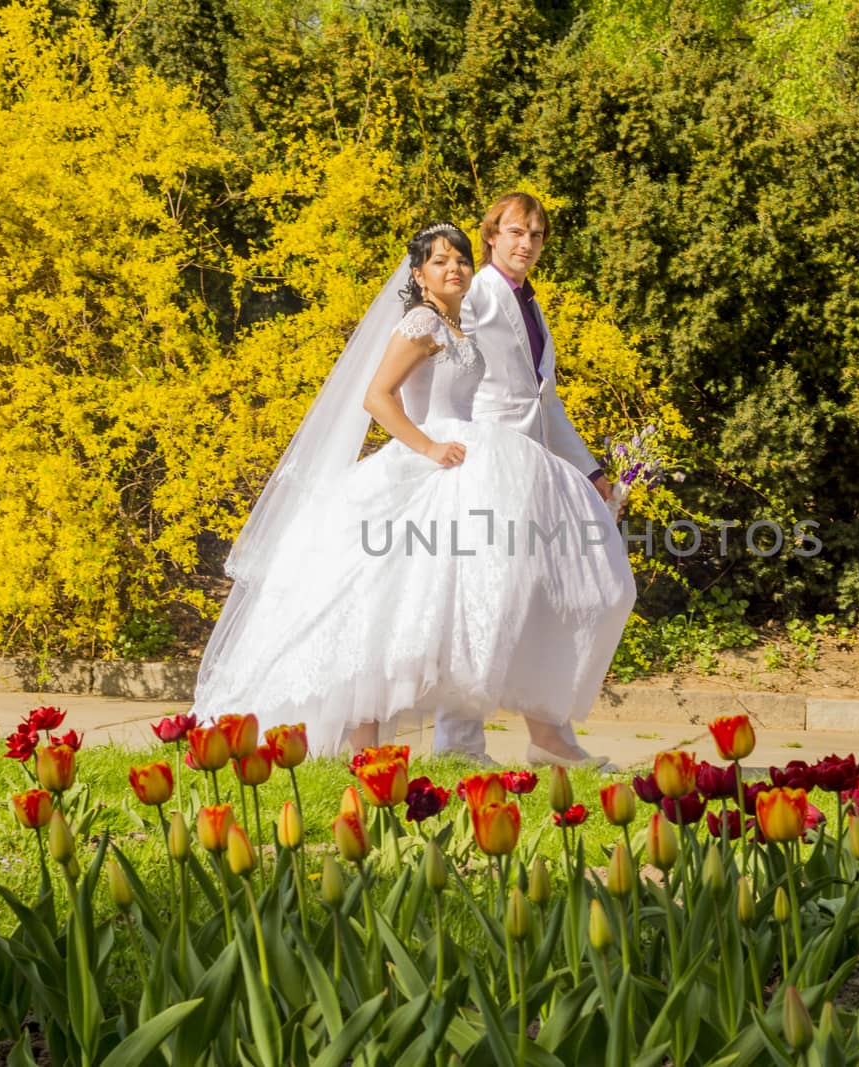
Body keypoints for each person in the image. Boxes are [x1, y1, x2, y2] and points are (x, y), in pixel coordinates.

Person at [190, 220, 635, 764]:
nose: (455, 269)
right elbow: (378, 398)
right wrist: (427, 448)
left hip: (468, 461)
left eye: (461, 261)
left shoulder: (456, 327)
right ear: (420, 275)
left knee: (429, 608)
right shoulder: (423, 322)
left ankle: (452, 741)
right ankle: (367, 747)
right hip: (426, 465)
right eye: (442, 262)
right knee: (376, 605)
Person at [429, 193, 622, 766]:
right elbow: (431, 346)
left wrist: (591, 470)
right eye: (516, 231)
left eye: (536, 235)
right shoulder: (479, 292)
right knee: (486, 598)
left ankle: (548, 739)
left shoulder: (531, 308)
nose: (527, 244)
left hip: (536, 472)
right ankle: (458, 744)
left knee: (564, 595)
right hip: (489, 467)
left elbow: (546, 404)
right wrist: (434, 437)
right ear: (491, 235)